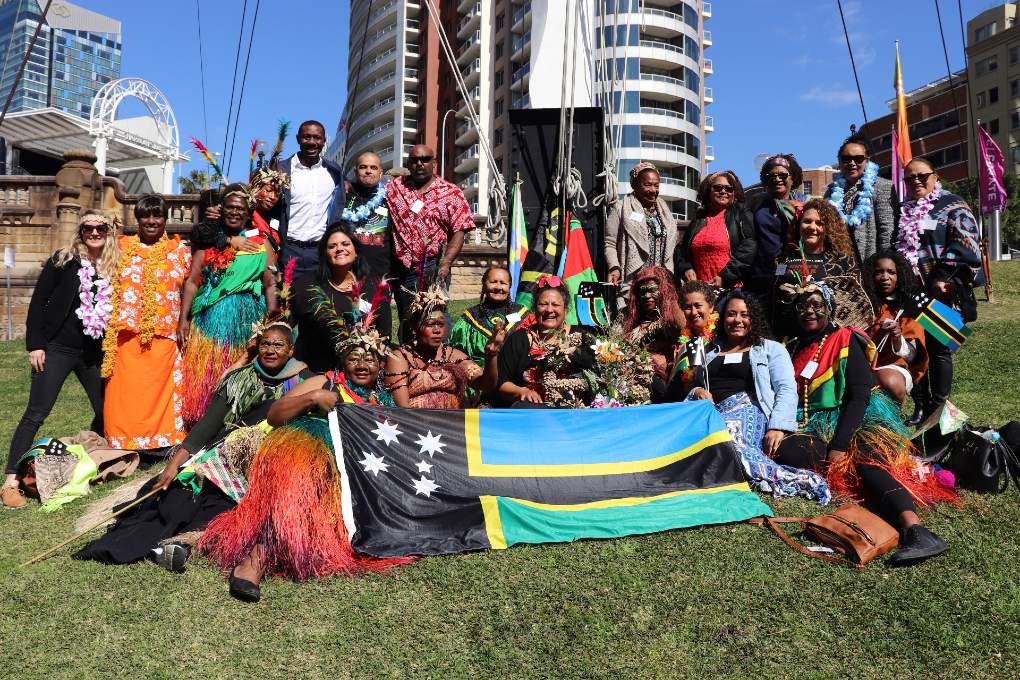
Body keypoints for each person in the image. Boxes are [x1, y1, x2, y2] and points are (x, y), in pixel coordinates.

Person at [73, 322, 311, 569]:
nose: (270, 350)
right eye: (265, 344)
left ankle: (184, 543)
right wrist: (172, 467)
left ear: (291, 350)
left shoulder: (306, 381)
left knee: (224, 506)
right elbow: (204, 430)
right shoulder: (239, 380)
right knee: (179, 495)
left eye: (278, 345)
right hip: (223, 457)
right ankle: (165, 542)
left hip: (270, 464)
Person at [199, 328, 407, 602]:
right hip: (307, 446)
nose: (361, 364)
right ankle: (257, 556)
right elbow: (274, 415)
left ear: (381, 365)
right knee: (306, 473)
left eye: (369, 359)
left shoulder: (381, 401)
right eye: (354, 357)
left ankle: (292, 543)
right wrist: (312, 399)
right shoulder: (325, 382)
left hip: (351, 464)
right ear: (343, 360)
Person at [774, 280, 952, 566]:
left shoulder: (846, 338)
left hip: (858, 415)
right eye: (802, 306)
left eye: (816, 305)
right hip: (812, 422)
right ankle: (859, 484)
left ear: (829, 309)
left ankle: (916, 529)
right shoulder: (791, 346)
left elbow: (858, 396)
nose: (809, 311)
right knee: (787, 451)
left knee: (867, 461)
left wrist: (841, 444)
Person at [3, 211, 119, 509]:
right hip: (57, 348)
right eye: (88, 228)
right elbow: (39, 300)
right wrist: (35, 345)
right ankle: (10, 482)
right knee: (36, 413)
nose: (94, 232)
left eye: (100, 227)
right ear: (80, 231)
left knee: (107, 409)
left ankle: (97, 457)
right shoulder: (64, 260)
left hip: (93, 353)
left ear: (108, 230)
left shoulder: (113, 264)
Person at [679, 290, 827, 502]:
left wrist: (778, 425)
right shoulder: (708, 352)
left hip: (747, 410)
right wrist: (697, 391)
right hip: (712, 413)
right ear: (722, 318)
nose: (737, 320)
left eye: (744, 314)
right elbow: (694, 386)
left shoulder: (770, 349)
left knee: (724, 436)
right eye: (731, 314)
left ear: (753, 318)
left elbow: (786, 388)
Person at [178, 185, 278, 426]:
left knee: (238, 368)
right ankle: (201, 423)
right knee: (207, 372)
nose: (235, 212)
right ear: (222, 210)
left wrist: (272, 319)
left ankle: (233, 423)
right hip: (210, 317)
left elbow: (270, 284)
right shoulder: (209, 240)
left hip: (246, 318)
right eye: (230, 207)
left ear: (248, 213)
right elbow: (192, 282)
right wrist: (183, 319)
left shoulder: (260, 244)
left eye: (240, 208)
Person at [895, 157, 982, 424]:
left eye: (922, 175)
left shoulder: (952, 204)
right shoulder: (903, 208)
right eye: (910, 178)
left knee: (939, 348)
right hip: (910, 290)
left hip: (941, 289)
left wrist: (940, 276)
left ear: (935, 175)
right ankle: (919, 405)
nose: (916, 181)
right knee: (915, 347)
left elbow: (968, 244)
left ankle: (938, 407)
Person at [102, 195, 192, 451]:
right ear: (138, 219)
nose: (151, 221)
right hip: (125, 338)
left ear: (165, 219)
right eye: (145, 216)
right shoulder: (118, 247)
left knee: (160, 394)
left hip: (164, 336)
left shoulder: (180, 252)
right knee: (125, 395)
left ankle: (162, 442)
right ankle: (123, 442)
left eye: (157, 216)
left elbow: (192, 287)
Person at [386, 144, 475, 332]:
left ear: (434, 163)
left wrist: (446, 263)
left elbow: (460, 230)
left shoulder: (451, 193)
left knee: (435, 316)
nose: (419, 164)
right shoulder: (394, 188)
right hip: (401, 269)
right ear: (408, 165)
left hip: (433, 266)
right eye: (414, 160)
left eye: (425, 159)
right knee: (407, 318)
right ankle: (410, 359)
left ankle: (440, 358)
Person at [291, 223, 386, 373]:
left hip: (360, 375)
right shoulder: (305, 286)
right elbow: (285, 326)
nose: (339, 249)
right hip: (314, 372)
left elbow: (384, 334)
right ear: (325, 254)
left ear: (356, 250)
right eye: (332, 246)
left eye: (345, 243)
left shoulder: (375, 288)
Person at [385, 287, 500, 409]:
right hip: (415, 424)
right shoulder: (400, 358)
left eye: (441, 324)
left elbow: (486, 384)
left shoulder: (454, 356)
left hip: (452, 424)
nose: (437, 330)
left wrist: (491, 356)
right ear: (414, 328)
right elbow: (402, 407)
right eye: (430, 324)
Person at [496, 276, 597, 407]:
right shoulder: (518, 339)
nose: (549, 310)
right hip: (530, 412)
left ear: (565, 310)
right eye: (543, 304)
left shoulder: (582, 338)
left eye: (555, 305)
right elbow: (502, 382)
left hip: (573, 413)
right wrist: (522, 391)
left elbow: (598, 378)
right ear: (534, 308)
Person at [771, 199, 861, 339]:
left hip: (830, 339)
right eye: (807, 221)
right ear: (798, 224)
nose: (812, 227)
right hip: (790, 338)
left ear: (829, 228)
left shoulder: (843, 261)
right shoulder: (783, 260)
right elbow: (774, 296)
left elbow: (855, 305)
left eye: (819, 223)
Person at [277, 120, 347, 277]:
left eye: (317, 138)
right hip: (287, 250)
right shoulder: (281, 170)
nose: (312, 142)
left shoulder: (334, 172)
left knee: (319, 300)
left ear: (324, 141)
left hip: (320, 252)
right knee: (286, 299)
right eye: (306, 137)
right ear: (297, 139)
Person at [604, 162, 679, 308]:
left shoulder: (664, 211)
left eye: (656, 185)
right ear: (635, 185)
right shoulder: (621, 208)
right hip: (634, 282)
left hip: (660, 282)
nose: (653, 190)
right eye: (648, 185)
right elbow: (610, 242)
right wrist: (614, 267)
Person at [337, 151, 393, 339]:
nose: (368, 171)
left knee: (382, 334)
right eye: (363, 167)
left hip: (380, 278)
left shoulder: (390, 199)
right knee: (348, 333)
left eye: (373, 167)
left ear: (381, 172)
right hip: (349, 278)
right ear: (355, 170)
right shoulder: (343, 196)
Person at [864, 251, 928, 405]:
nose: (885, 277)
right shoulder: (862, 305)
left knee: (889, 380)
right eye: (879, 272)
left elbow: (912, 356)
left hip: (894, 367)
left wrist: (897, 337)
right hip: (863, 365)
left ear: (899, 276)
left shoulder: (908, 309)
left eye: (891, 272)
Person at [824, 131, 898, 262]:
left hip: (869, 262)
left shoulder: (882, 186)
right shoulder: (831, 191)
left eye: (858, 159)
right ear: (839, 162)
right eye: (846, 159)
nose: (852, 163)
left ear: (867, 160)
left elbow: (887, 231)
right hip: (838, 261)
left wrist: (884, 264)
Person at [675, 170, 756, 287]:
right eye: (718, 187)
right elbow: (681, 251)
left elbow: (749, 248)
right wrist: (686, 269)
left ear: (734, 193)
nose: (723, 191)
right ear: (708, 191)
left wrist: (725, 277)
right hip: (701, 292)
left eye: (729, 188)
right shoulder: (698, 220)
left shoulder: (741, 214)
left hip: (732, 290)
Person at [620, 266, 683, 399]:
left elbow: (684, 334)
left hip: (665, 384)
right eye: (642, 292)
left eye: (652, 290)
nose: (647, 296)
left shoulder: (671, 321)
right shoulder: (633, 324)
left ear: (663, 291)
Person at [449, 266, 532, 367]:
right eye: (493, 282)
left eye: (503, 283)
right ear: (484, 284)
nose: (498, 287)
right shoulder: (470, 318)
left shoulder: (522, 314)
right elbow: (456, 354)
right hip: (481, 377)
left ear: (509, 286)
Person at [749, 154, 804, 293]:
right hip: (760, 276)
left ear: (793, 178)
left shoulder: (804, 206)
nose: (777, 179)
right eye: (771, 175)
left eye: (783, 175)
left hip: (794, 275)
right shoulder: (756, 203)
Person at [247, 165, 289, 254]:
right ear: (256, 189)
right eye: (268, 190)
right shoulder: (245, 215)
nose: (273, 197)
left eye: (277, 194)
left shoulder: (276, 218)